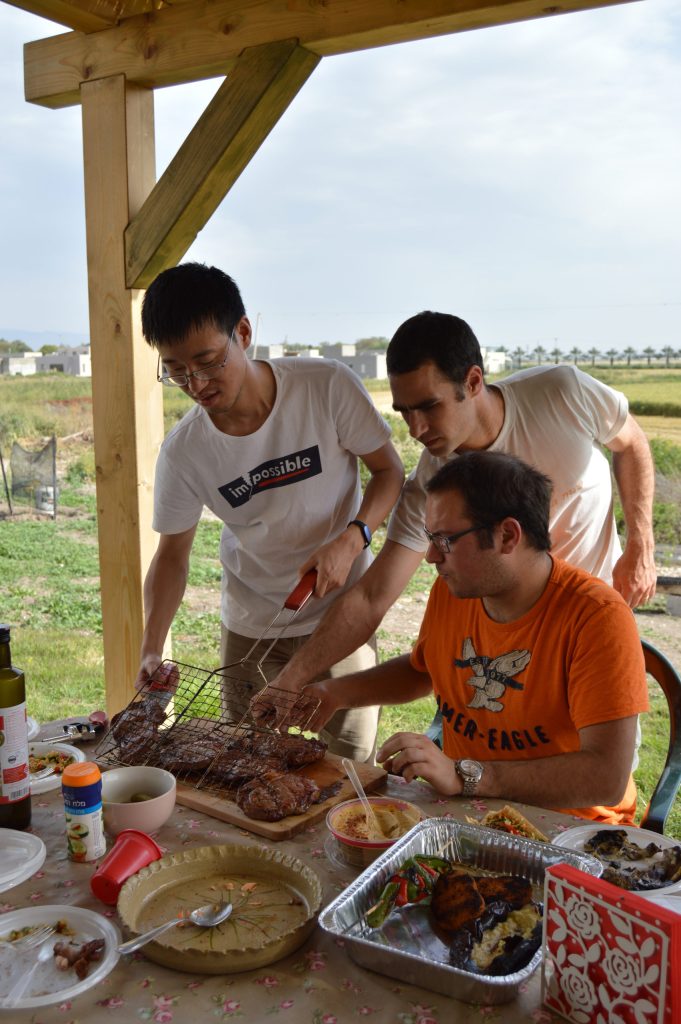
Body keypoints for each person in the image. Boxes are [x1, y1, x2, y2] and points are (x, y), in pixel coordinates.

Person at [271, 311, 656, 711]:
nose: (415, 429)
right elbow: (371, 596)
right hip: (500, 657)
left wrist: (641, 545)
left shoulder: (562, 392)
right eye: (404, 411)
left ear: (472, 382)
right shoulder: (432, 486)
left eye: (429, 406)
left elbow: (631, 443)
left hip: (591, 626)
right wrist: (290, 680)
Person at [135, 262, 404, 762]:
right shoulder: (185, 451)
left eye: (208, 361)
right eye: (176, 370)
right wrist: (152, 647)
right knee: (247, 766)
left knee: (345, 771)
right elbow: (171, 556)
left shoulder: (325, 386)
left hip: (339, 616)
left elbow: (389, 471)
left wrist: (354, 537)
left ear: (243, 333)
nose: (196, 383)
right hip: (252, 626)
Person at [300, 451, 649, 824]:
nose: (431, 556)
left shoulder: (596, 617)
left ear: (508, 536)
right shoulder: (455, 590)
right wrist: (335, 693)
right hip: (471, 811)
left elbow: (606, 777)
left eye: (445, 540)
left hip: (571, 827)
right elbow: (425, 670)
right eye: (430, 538)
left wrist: (468, 776)